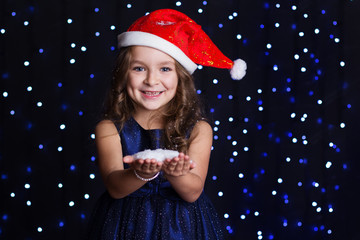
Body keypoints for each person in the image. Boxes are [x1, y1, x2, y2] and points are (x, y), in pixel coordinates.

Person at [86, 9, 246, 240]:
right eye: (139, 68)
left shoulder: (199, 129)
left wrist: (177, 174)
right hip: (124, 228)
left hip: (184, 228)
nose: (151, 80)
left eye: (165, 69)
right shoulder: (109, 128)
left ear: (181, 77)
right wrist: (139, 174)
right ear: (123, 74)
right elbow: (115, 187)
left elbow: (193, 192)